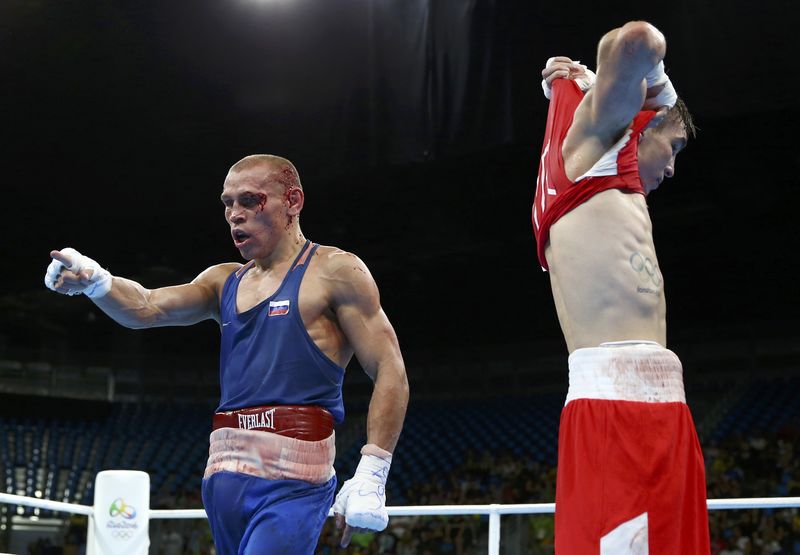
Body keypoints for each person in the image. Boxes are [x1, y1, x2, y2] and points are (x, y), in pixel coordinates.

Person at [44, 154, 410, 554]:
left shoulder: (336, 271)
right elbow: (147, 307)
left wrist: (373, 470)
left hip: (293, 481)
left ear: (293, 201)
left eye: (250, 200)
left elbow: (389, 367)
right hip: (223, 477)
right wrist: (97, 282)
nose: (235, 214)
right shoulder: (223, 282)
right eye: (227, 203)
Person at [532, 22, 709, 554]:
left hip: (654, 411)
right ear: (642, 123)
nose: (673, 167)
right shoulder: (592, 148)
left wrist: (578, 79)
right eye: (673, 145)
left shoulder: (591, 165)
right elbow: (636, 41)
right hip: (621, 413)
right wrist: (661, 92)